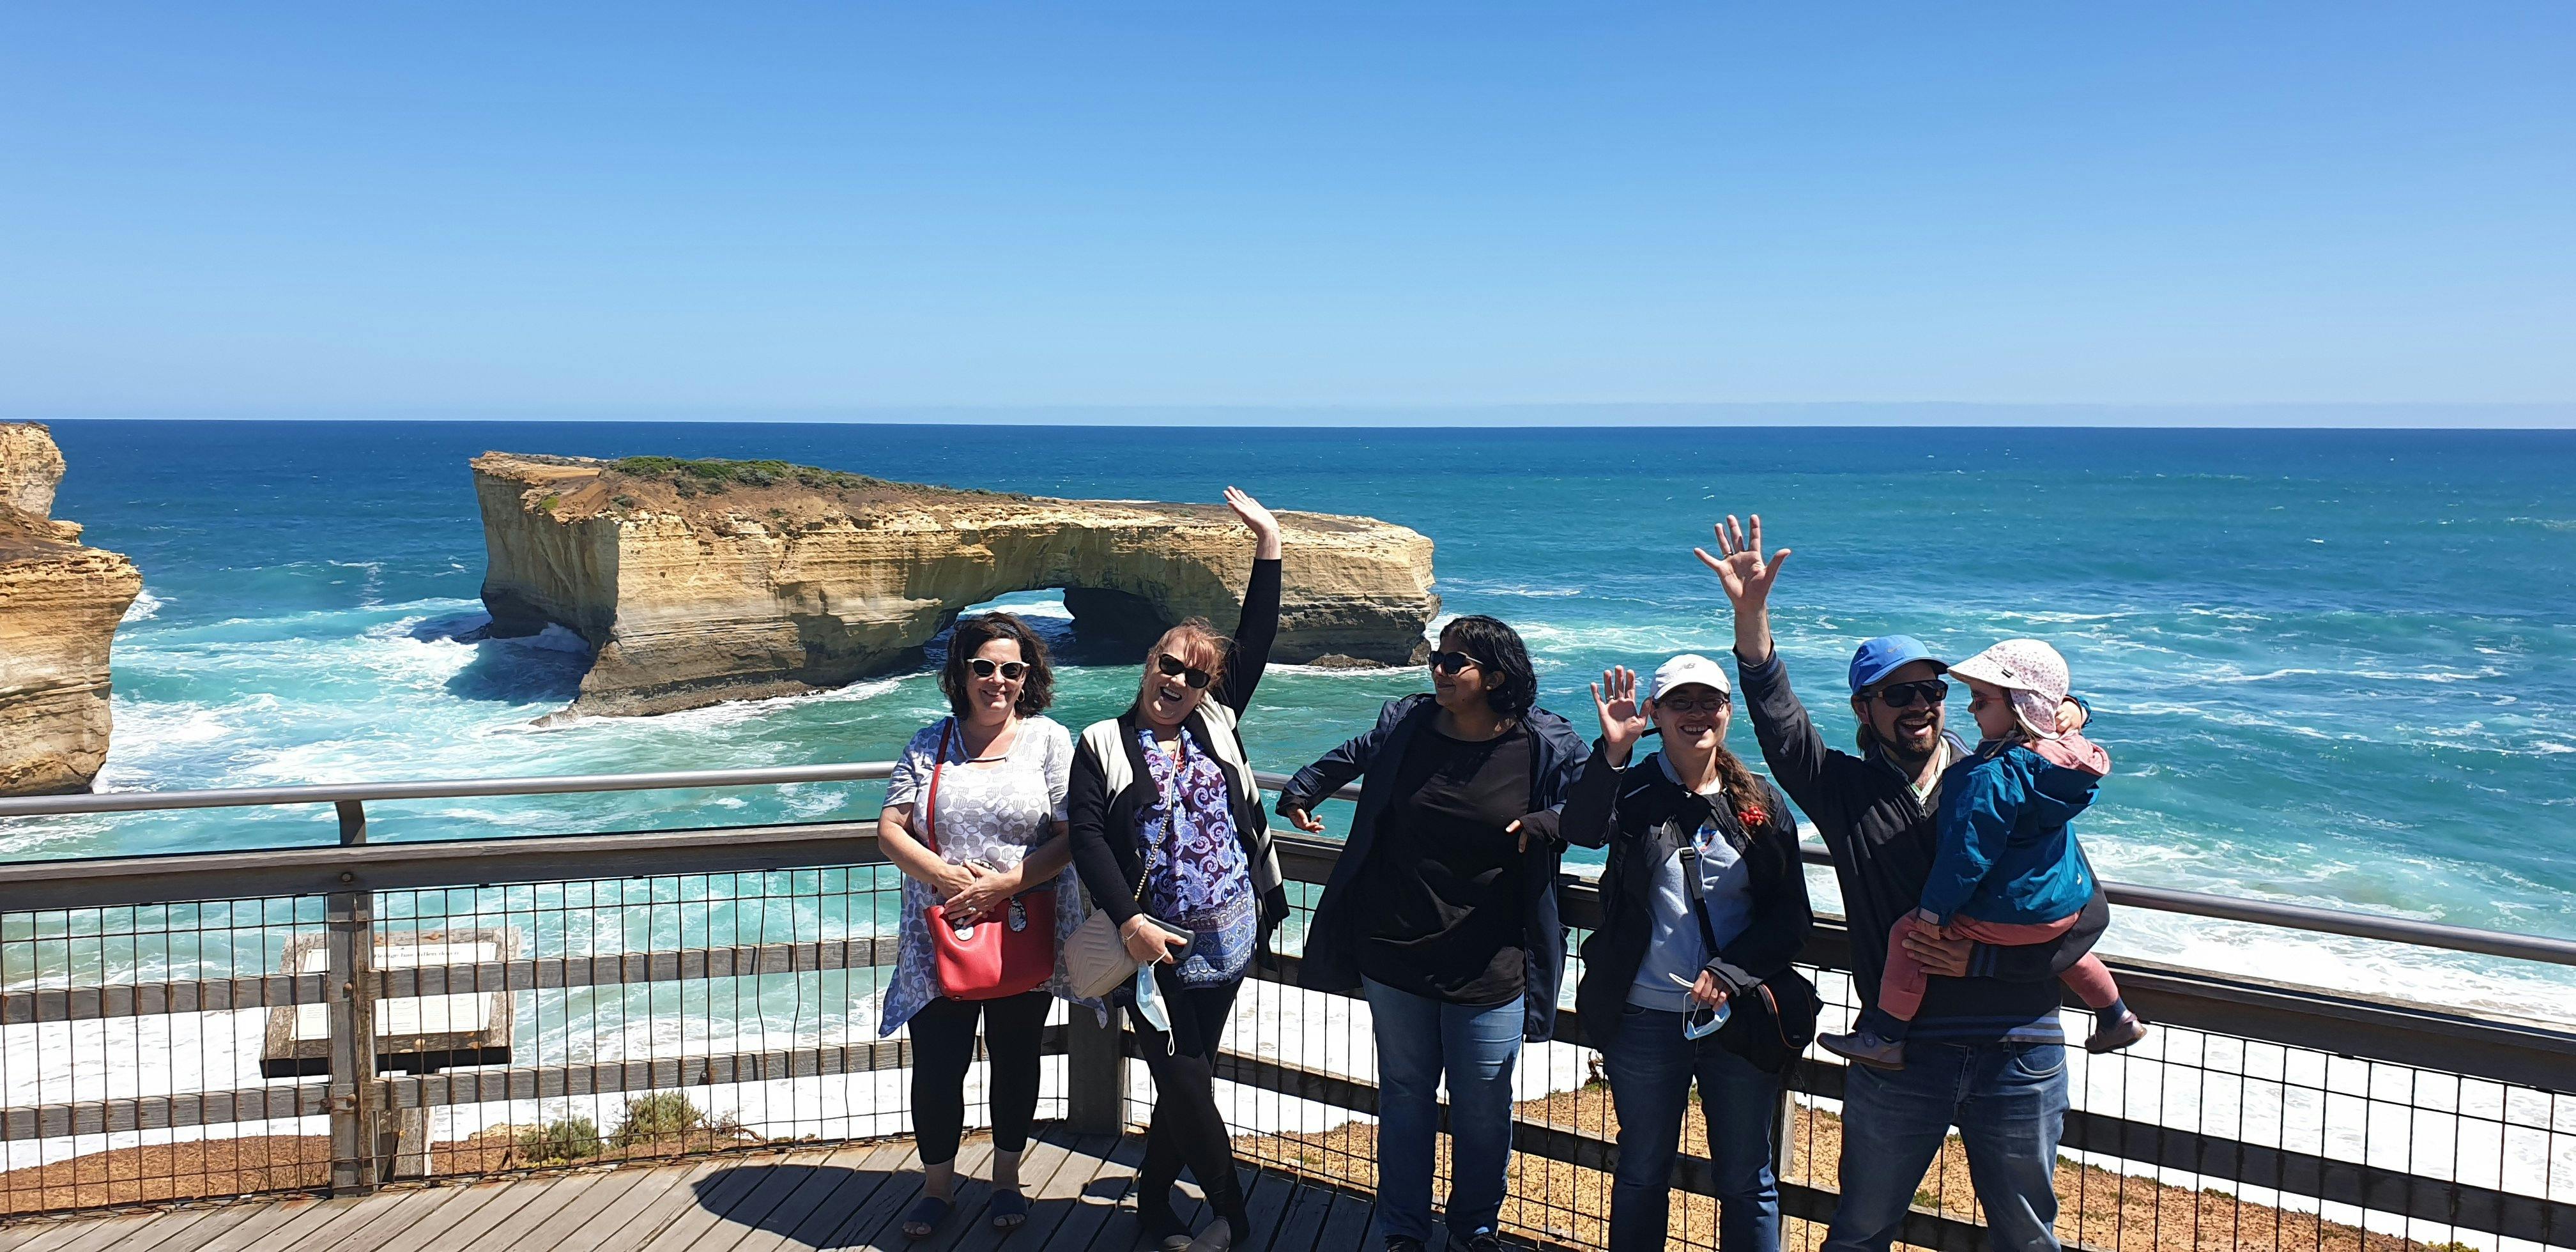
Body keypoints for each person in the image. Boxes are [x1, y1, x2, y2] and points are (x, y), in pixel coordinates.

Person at [1700, 514, 2106, 1252]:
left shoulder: (2007, 774)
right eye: (1897, 695)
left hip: (2019, 1041)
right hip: (1903, 1052)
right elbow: (1782, 726)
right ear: (1865, 710)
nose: (1919, 703)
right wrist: (1751, 616)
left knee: (2027, 1237)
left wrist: (1985, 959)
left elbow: (2084, 911)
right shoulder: (1844, 789)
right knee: (1861, 1229)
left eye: (1930, 689)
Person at [1277, 616, 1590, 1252]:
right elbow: (1356, 754)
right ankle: (1403, 1231)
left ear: (1495, 677)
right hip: (1395, 952)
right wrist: (1304, 787)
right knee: (1406, 1097)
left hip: (1492, 959)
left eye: (1455, 662)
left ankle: (1474, 1229)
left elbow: (1599, 811)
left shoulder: (1544, 742)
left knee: (1482, 1108)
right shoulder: (1409, 726)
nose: (1438, 669)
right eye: (1437, 657)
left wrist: (1549, 820)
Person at [1068, 487, 1291, 1252]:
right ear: (1149, 662)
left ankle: (1156, 1203)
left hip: (1228, 935)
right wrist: (1128, 922)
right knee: (1187, 1078)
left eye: (1195, 676)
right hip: (1151, 945)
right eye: (1169, 666)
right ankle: (1235, 1213)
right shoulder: (1100, 742)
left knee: (1180, 1084)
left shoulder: (1217, 720)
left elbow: (1255, 635)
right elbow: (1089, 838)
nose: (1179, 683)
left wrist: (1269, 542)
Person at [1561, 657, 1812, 1252]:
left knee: (1747, 1177)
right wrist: (1612, 752)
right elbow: (1579, 827)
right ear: (1657, 714)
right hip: (1644, 1016)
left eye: (1709, 701)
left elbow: (1790, 917)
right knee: (1644, 1168)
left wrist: (1729, 973)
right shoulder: (1632, 786)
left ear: (1728, 711)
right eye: (1681, 702)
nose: (1697, 713)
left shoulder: (1759, 802)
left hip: (1735, 1016)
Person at [1821, 639, 2144, 1070]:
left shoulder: (1989, 775)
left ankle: (1886, 1035)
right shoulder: (2064, 759)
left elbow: (1966, 858)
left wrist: (1933, 916)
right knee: (2068, 950)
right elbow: (2062, 721)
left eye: (1979, 699)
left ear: (2018, 708)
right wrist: (2076, 709)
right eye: (1899, 694)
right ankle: (2115, 1014)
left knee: (1907, 935)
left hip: (2009, 921)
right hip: (2062, 906)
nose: (1971, 711)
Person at [875, 612, 1079, 1238]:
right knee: (938, 1066)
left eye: (1011, 669)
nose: (998, 680)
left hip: (1021, 921)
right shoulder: (927, 742)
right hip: (940, 932)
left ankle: (1007, 1179)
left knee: (1017, 1061)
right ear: (961, 672)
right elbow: (888, 828)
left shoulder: (1048, 740)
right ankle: (937, 1190)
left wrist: (1003, 883)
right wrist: (947, 876)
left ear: (1027, 677)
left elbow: (1073, 837)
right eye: (984, 667)